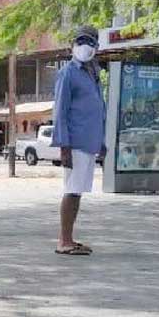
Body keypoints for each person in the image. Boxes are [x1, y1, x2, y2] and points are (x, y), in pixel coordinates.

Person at [51, 25, 105, 256]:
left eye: (90, 42)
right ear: (72, 45)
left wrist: (101, 142)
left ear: (97, 46)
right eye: (81, 41)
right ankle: (63, 241)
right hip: (74, 143)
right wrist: (64, 146)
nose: (86, 46)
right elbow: (60, 111)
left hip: (89, 142)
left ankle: (69, 239)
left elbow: (97, 110)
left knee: (78, 191)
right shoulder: (68, 73)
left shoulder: (93, 73)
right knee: (72, 190)